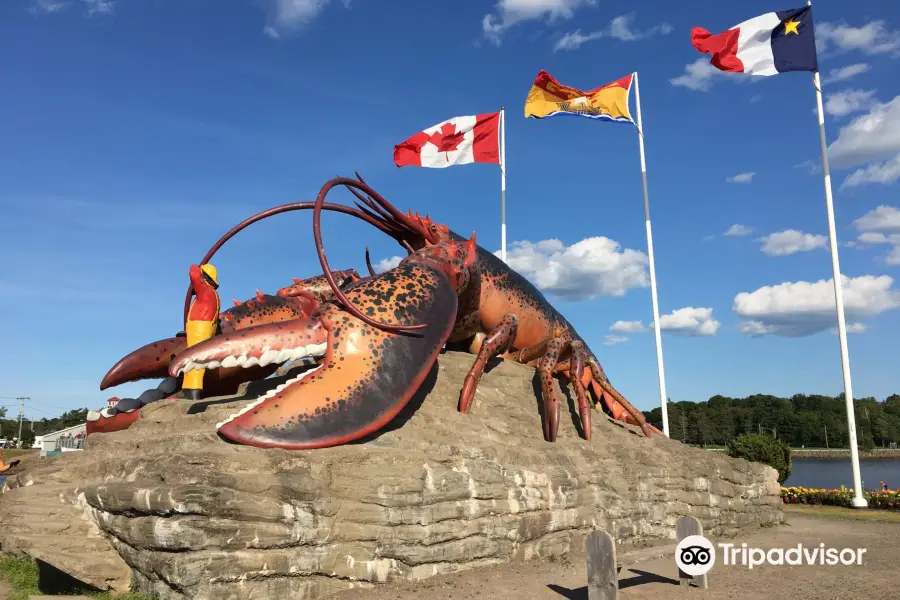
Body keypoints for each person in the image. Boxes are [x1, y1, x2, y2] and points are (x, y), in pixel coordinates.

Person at [180, 263, 221, 400]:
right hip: (205, 327)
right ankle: (189, 388)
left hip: (199, 327)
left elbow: (194, 273)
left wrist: (197, 266)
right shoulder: (214, 295)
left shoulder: (205, 290)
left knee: (193, 359)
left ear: (205, 278)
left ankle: (192, 391)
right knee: (197, 358)